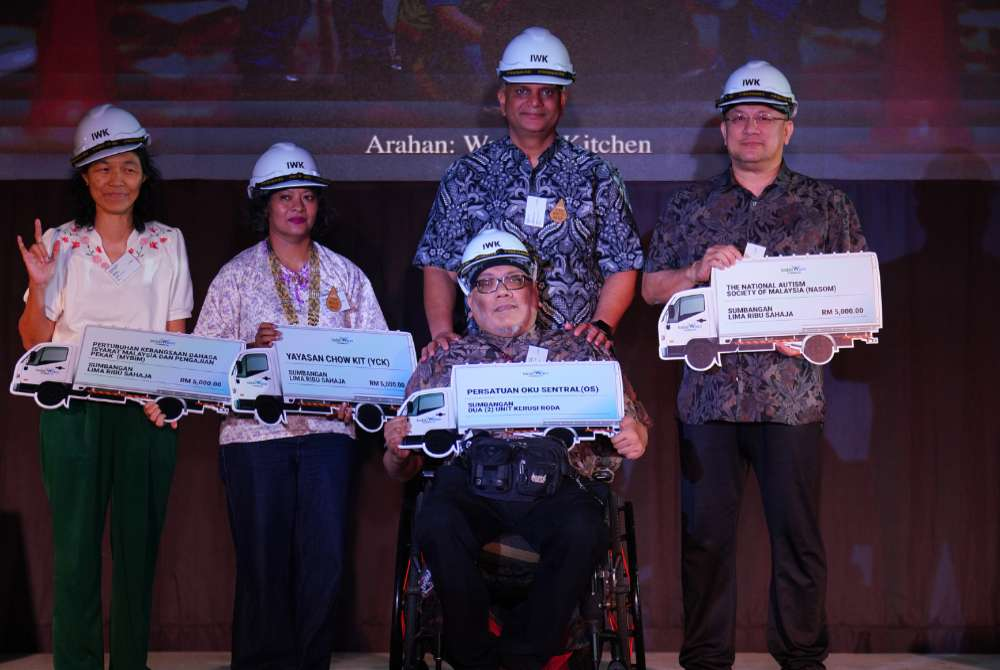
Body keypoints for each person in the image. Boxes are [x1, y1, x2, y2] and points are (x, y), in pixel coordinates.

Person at [641, 60, 868, 670]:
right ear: (722, 131)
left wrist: (819, 331)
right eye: (738, 118)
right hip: (707, 402)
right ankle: (707, 658)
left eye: (765, 118)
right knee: (705, 541)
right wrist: (693, 272)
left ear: (788, 129)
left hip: (791, 398)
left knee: (797, 539)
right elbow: (649, 288)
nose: (750, 129)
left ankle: (801, 657)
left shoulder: (827, 205)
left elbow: (857, 301)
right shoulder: (689, 205)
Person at [385, 229, 650, 670]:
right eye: (487, 284)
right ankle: (475, 656)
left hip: (555, 480)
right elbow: (401, 467)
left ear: (534, 290)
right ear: (470, 301)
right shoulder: (441, 360)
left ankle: (520, 659)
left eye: (513, 280)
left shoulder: (581, 353)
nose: (502, 292)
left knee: (585, 527)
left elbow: (634, 423)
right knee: (435, 518)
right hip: (470, 483)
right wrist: (396, 452)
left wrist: (635, 433)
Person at [193, 142, 388, 670]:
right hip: (255, 440)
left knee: (322, 562)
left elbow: (377, 357)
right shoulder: (236, 276)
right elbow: (202, 364)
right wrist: (248, 351)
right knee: (263, 564)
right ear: (264, 206)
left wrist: (358, 398)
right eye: (285, 197)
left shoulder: (347, 275)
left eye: (307, 196)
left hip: (328, 438)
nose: (298, 206)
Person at [16, 104, 194, 670]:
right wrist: (39, 285)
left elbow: (176, 337)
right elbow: (32, 343)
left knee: (137, 555)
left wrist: (167, 402)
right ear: (84, 176)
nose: (117, 180)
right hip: (73, 415)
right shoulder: (61, 245)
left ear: (145, 175)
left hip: (144, 417)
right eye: (103, 169)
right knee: (74, 555)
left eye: (129, 167)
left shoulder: (168, 242)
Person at [413, 26, 643, 356]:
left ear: (563, 99)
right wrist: (442, 332)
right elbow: (438, 261)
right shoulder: (466, 174)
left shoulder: (597, 174)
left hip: (572, 356)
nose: (534, 102)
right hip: (487, 355)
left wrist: (602, 325)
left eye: (546, 92)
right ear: (502, 98)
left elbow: (622, 262)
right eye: (522, 91)